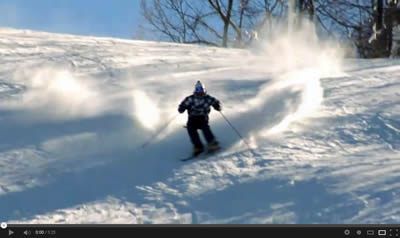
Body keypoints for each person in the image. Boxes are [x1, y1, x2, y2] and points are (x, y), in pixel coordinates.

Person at [178, 81, 222, 156]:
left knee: (204, 126)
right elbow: (183, 104)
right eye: (197, 89)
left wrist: (217, 106)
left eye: (201, 89)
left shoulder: (207, 98)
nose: (199, 91)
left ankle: (212, 143)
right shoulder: (191, 98)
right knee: (190, 128)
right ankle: (198, 146)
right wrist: (182, 108)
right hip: (192, 117)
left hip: (203, 116)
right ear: (195, 90)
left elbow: (215, 102)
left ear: (204, 89)